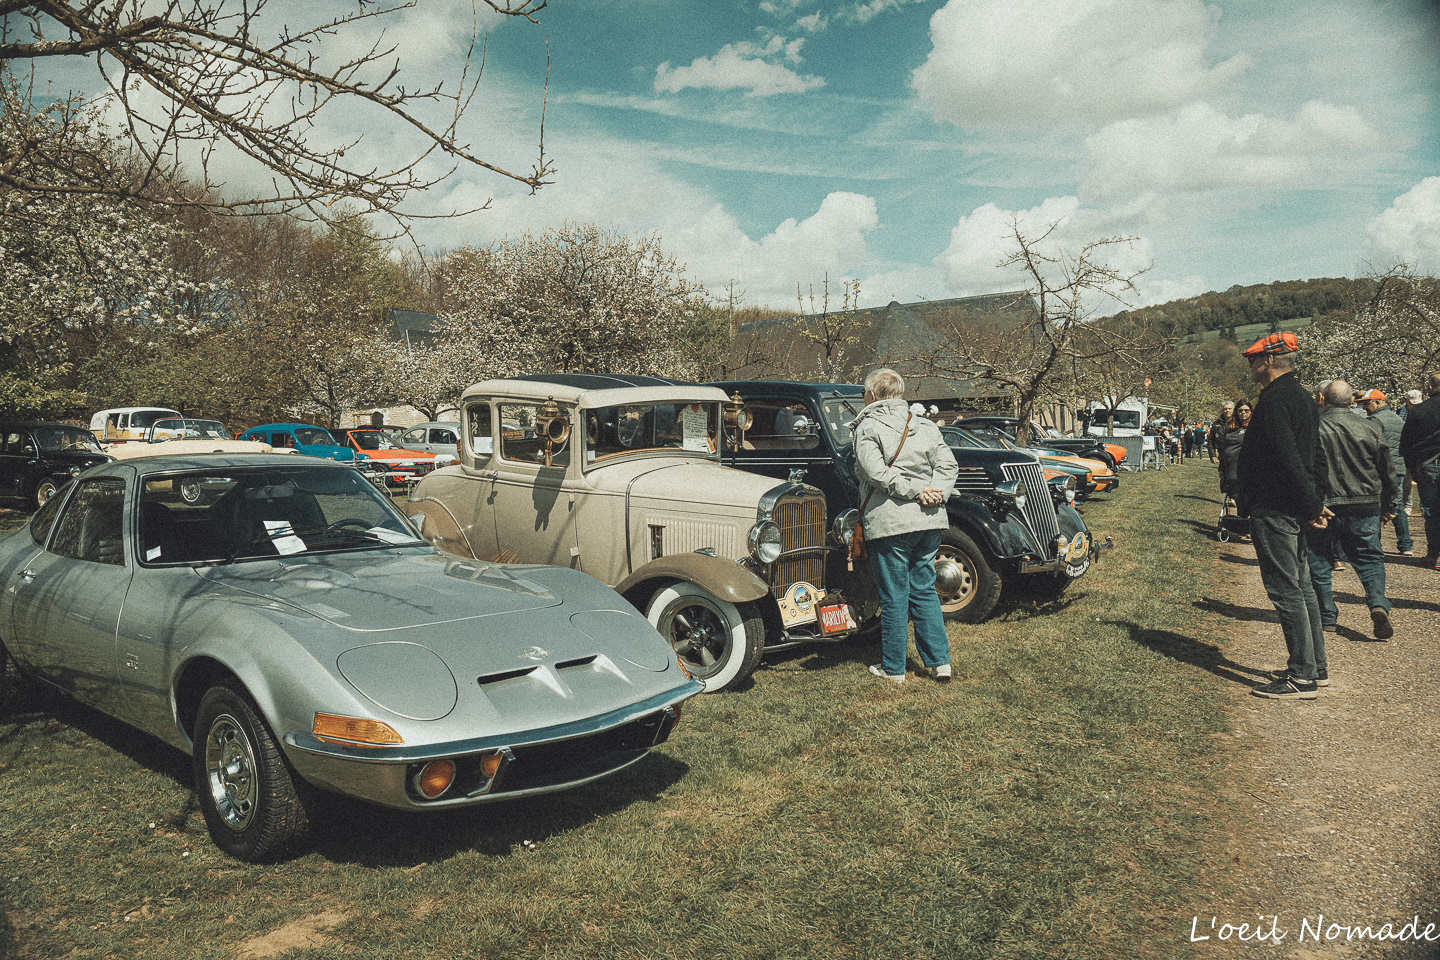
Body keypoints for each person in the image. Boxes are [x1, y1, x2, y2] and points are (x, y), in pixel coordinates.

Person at [1233, 332, 1328, 700]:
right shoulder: (1303, 397)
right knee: (1302, 586)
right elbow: (1316, 456)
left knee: (1285, 590)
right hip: (1294, 505)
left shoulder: (1273, 401)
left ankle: (1302, 676)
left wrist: (1312, 504)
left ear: (1269, 361)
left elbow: (1289, 460)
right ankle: (1315, 667)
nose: (1251, 366)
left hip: (1274, 507)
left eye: (1253, 360)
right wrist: (1315, 501)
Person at [853, 368, 958, 684]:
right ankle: (940, 662)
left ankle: (894, 669)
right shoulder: (925, 425)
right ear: (898, 394)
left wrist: (915, 491)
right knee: (924, 588)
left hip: (891, 521)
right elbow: (948, 465)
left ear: (871, 395)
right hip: (929, 520)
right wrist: (935, 492)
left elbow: (876, 474)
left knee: (894, 594)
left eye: (863, 393)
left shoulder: (867, 427)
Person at [1307, 381, 1396, 639]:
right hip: (1365, 502)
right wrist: (1390, 504)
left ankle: (1327, 617)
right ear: (1350, 401)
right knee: (1369, 558)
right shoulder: (1370, 427)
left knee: (1319, 558)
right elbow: (1387, 470)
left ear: (1322, 398)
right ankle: (1377, 603)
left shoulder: (1314, 428)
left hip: (1325, 505)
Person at [1357, 389, 1413, 557]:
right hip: (1399, 468)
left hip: (1382, 469)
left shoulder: (1375, 420)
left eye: (1367, 403)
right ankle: (1405, 544)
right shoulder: (1397, 418)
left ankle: (1375, 544)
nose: (1364, 407)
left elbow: (1370, 446)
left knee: (1377, 505)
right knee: (1397, 505)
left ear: (1378, 402)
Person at [1399, 373, 1440, 569]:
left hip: (1427, 464)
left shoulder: (1418, 412)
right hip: (1428, 464)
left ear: (1430, 389)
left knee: (1432, 511)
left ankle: (1433, 554)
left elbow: (1406, 444)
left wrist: (1411, 468)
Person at [1217, 401, 1251, 507]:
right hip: (1228, 465)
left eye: (1246, 410)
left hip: (1242, 468)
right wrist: (1221, 467)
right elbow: (1225, 447)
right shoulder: (1231, 427)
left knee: (1241, 497)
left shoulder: (1253, 427)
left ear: (1251, 412)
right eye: (1240, 410)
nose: (1243, 413)